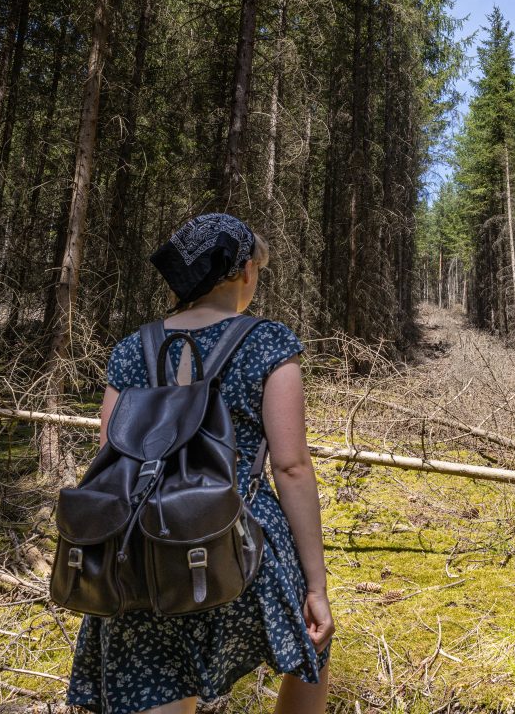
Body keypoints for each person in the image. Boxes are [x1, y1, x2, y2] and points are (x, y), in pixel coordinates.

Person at [67, 213, 333, 714]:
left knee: (156, 679)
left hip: (140, 549)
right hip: (241, 543)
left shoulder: (131, 349)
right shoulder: (268, 342)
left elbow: (109, 456)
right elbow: (292, 466)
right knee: (310, 645)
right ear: (247, 271)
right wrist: (315, 585)